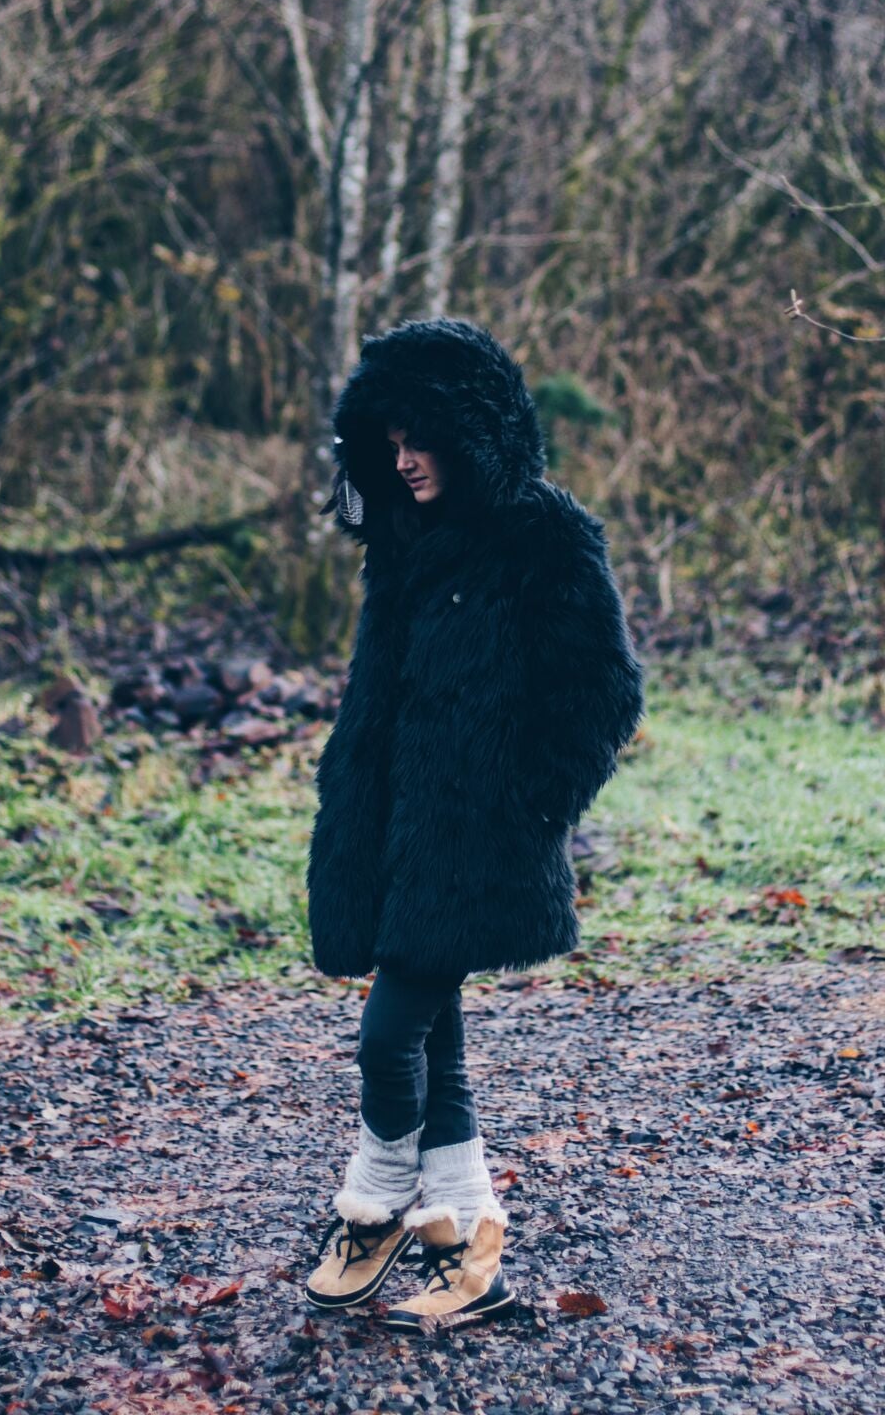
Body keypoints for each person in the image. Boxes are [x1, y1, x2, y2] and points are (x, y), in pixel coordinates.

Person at [303, 317, 646, 1327]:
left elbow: (605, 690)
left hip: (480, 839)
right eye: (391, 436)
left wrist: (529, 806)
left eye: (426, 436)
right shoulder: (402, 545)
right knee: (434, 1039)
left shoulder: (546, 532)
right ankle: (471, 1253)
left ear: (476, 430)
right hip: (400, 833)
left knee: (388, 1032)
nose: (404, 458)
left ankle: (374, 1204)